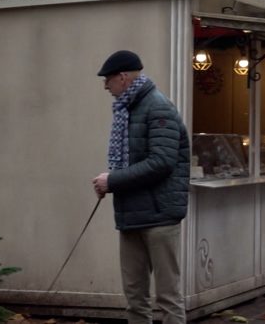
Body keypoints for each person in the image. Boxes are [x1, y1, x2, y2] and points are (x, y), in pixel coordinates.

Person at [92, 50, 189, 324]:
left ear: (123, 78)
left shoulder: (158, 107)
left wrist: (112, 180)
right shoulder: (128, 108)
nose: (105, 86)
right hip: (131, 214)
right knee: (135, 297)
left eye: (107, 80)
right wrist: (112, 181)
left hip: (160, 216)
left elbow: (162, 162)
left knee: (168, 297)